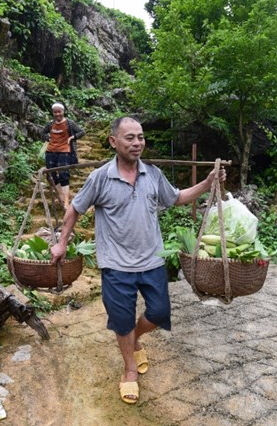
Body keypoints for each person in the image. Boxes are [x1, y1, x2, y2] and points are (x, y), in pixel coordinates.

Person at [50, 116, 226, 405]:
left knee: (159, 313)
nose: (137, 143)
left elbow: (178, 197)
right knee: (121, 321)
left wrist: (207, 183)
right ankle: (129, 369)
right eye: (130, 137)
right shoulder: (101, 177)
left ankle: (134, 341)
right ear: (113, 142)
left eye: (140, 137)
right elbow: (75, 210)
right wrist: (61, 243)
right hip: (116, 265)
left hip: (151, 260)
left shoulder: (153, 174)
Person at [42, 102, 85, 210]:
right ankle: (61, 196)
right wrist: (48, 138)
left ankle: (66, 201)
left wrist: (72, 137)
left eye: (59, 112)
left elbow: (81, 132)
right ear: (53, 113)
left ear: (63, 112)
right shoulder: (50, 124)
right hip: (50, 151)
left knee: (64, 175)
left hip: (64, 151)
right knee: (51, 175)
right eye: (55, 112)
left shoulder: (69, 123)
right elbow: (42, 132)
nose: (57, 114)